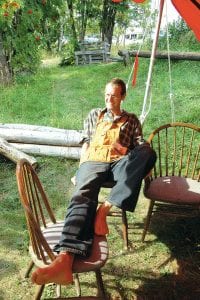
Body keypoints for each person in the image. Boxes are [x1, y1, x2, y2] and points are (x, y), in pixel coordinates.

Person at [31, 78, 157, 285]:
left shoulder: (131, 120)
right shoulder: (94, 115)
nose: (109, 99)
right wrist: (81, 167)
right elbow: (87, 144)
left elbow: (139, 146)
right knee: (82, 196)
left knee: (148, 152)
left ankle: (104, 210)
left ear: (123, 96)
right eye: (106, 95)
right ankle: (65, 258)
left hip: (119, 164)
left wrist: (133, 159)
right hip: (95, 161)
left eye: (114, 96)